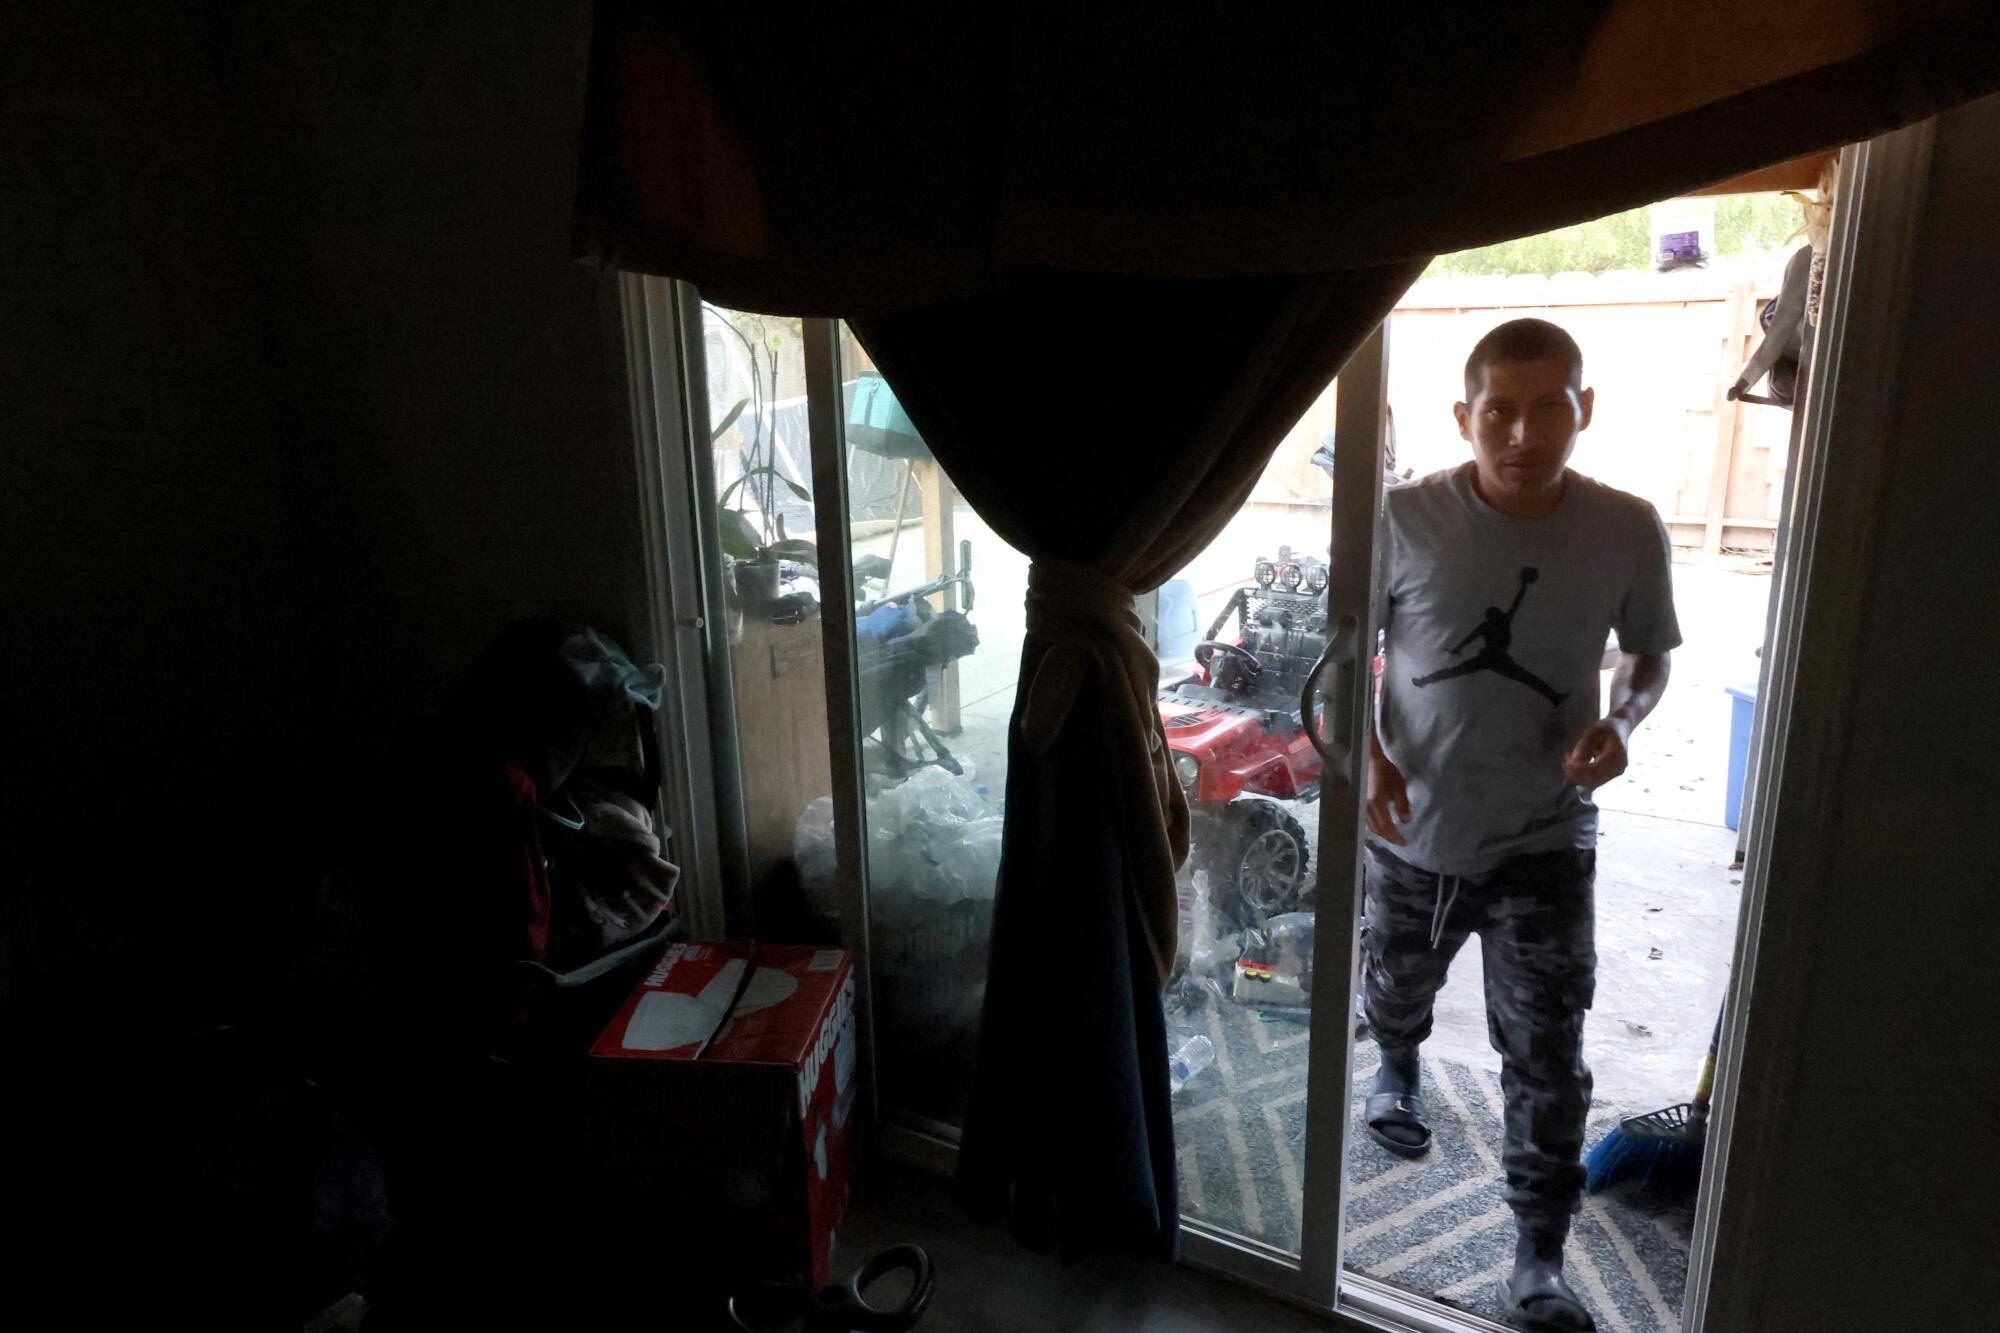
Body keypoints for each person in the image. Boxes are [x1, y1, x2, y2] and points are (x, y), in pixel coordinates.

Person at [1363, 318, 1679, 1332]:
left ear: (1582, 410)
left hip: (1546, 835)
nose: (1522, 430)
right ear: (1464, 415)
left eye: (1550, 405)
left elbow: (1646, 655)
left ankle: (1535, 1257)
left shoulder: (1625, 527)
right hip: (1414, 824)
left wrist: (1620, 719)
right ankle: (1398, 1061)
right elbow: (1334, 652)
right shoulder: (1399, 519)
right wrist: (1354, 753)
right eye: (1498, 407)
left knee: (1546, 1052)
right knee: (1394, 984)